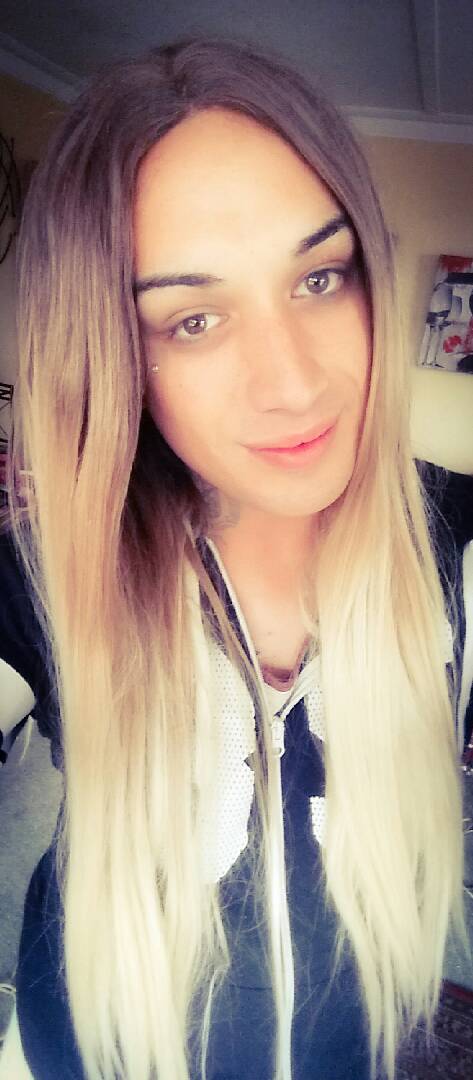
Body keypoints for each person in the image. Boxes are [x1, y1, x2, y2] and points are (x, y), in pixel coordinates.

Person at [0, 36, 471, 1080]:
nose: (293, 382)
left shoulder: (450, 544)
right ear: (115, 355)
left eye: (319, 278)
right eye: (195, 319)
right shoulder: (47, 572)